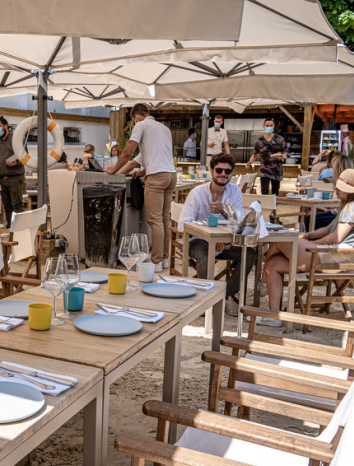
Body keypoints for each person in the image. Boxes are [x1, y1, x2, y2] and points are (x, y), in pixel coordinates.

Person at [262, 169, 354, 327]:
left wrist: (315, 245)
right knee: (273, 264)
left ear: (349, 189)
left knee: (281, 238)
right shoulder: (351, 205)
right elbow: (329, 230)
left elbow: (336, 237)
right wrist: (309, 235)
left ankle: (262, 282)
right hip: (332, 253)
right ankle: (273, 315)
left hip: (336, 256)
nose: (335, 189)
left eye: (339, 186)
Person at [178, 153, 255, 316]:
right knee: (205, 255)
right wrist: (210, 238)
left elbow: (241, 222)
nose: (223, 174)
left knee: (250, 253)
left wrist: (225, 210)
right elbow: (182, 225)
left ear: (232, 173)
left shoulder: (235, 191)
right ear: (212, 171)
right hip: (198, 241)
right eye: (219, 170)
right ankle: (207, 299)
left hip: (225, 242)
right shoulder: (197, 193)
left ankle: (225, 296)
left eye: (227, 171)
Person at [106, 103, 176, 271]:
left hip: (157, 178)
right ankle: (165, 259)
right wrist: (122, 172)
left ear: (136, 117)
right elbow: (136, 162)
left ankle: (156, 261)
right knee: (165, 219)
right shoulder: (164, 129)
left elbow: (127, 153)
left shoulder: (141, 125)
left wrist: (113, 170)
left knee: (155, 220)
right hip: (171, 176)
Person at [0, 116, 26, 227]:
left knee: (17, 205)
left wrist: (16, 163)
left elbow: (25, 157)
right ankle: (10, 227)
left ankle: (20, 229)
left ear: (6, 126)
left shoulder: (16, 139)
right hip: (1, 179)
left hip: (15, 178)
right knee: (7, 205)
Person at [245, 118, 288, 196]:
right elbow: (255, 154)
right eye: (267, 125)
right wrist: (249, 162)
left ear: (274, 126)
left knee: (275, 192)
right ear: (263, 126)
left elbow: (285, 152)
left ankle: (273, 207)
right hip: (264, 169)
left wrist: (282, 157)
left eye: (271, 125)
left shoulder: (279, 139)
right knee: (264, 192)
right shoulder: (259, 141)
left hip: (276, 170)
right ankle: (264, 207)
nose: (269, 127)